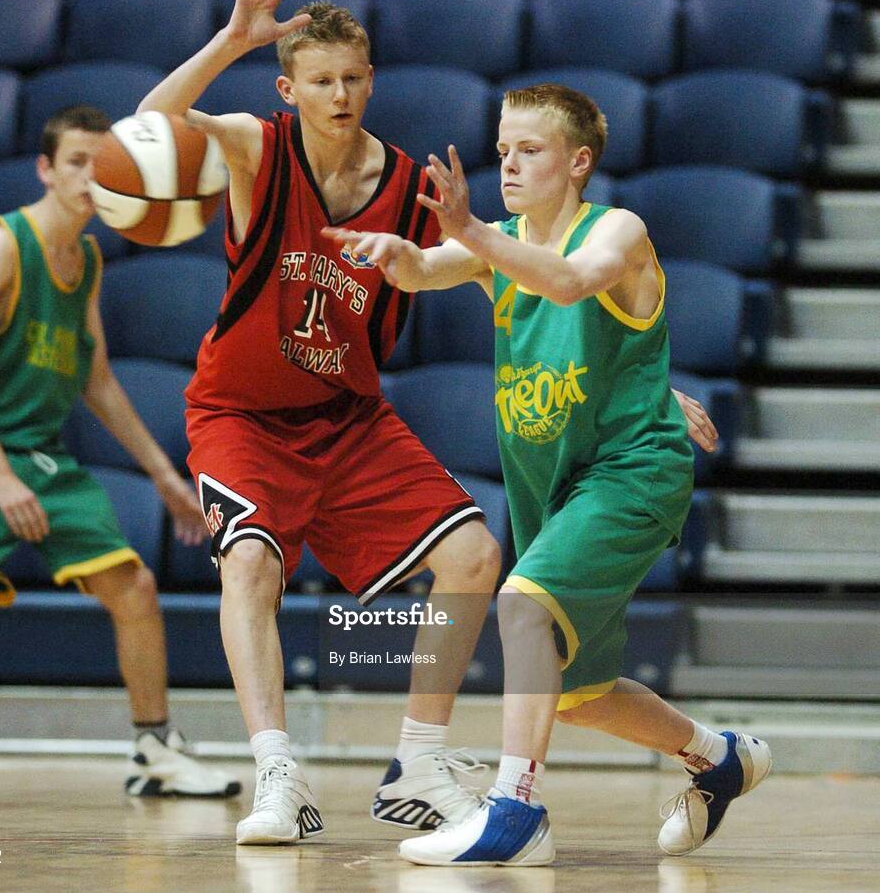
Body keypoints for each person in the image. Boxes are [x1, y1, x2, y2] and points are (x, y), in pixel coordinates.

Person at [138, 0, 714, 846]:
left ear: (371, 80)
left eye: (355, 78)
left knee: (475, 554)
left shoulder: (412, 185)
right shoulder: (257, 148)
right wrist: (229, 44)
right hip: (243, 412)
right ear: (288, 90)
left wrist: (649, 378)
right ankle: (277, 775)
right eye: (322, 81)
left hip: (346, 416)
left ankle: (418, 761)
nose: (341, 95)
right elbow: (143, 128)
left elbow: (554, 283)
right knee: (250, 563)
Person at [324, 83, 771, 867]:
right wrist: (400, 259)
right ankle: (716, 754)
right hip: (554, 484)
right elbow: (430, 267)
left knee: (521, 607)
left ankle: (514, 812)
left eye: (528, 149)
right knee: (576, 695)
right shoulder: (496, 243)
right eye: (501, 150)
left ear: (578, 161)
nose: (508, 164)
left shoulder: (617, 230)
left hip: (631, 470)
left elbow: (566, 282)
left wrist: (465, 233)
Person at [0, 105, 240, 802]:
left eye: (104, 163)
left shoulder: (87, 258)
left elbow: (94, 377)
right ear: (45, 169)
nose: (91, 178)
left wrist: (163, 475)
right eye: (75, 163)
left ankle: (155, 746)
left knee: (134, 586)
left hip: (30, 447)